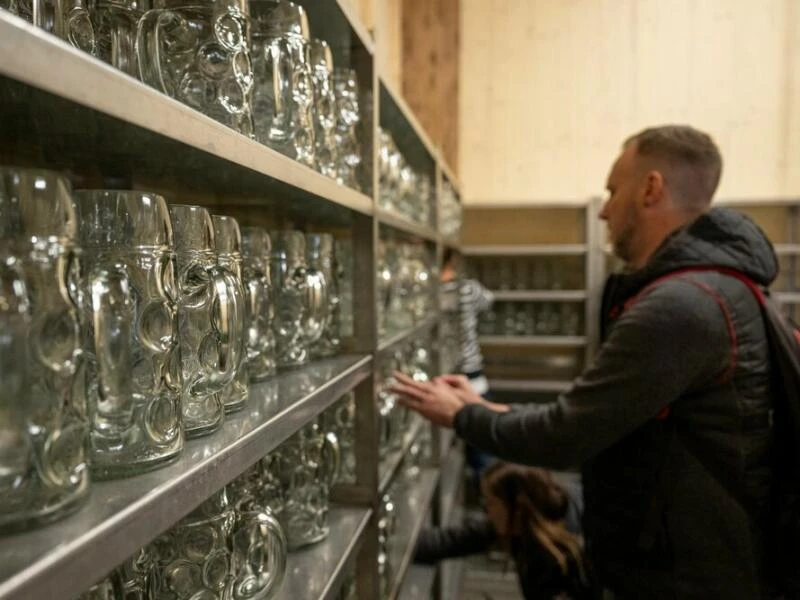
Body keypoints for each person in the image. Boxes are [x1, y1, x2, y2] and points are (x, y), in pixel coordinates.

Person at [392, 125, 779, 599]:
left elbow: (568, 435)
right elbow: (597, 420)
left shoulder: (683, 305)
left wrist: (462, 415)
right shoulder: (713, 289)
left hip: (683, 581)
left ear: (651, 189)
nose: (603, 209)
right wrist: (483, 406)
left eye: (613, 191)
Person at [414, 461, 592, 600]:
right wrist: (398, 548)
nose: (486, 510)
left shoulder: (557, 559)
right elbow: (454, 539)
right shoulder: (520, 525)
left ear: (518, 507)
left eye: (491, 503)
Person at [441, 247, 496, 481]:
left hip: (440, 377)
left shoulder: (423, 291)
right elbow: (489, 301)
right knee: (482, 447)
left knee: (444, 449)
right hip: (472, 376)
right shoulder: (469, 288)